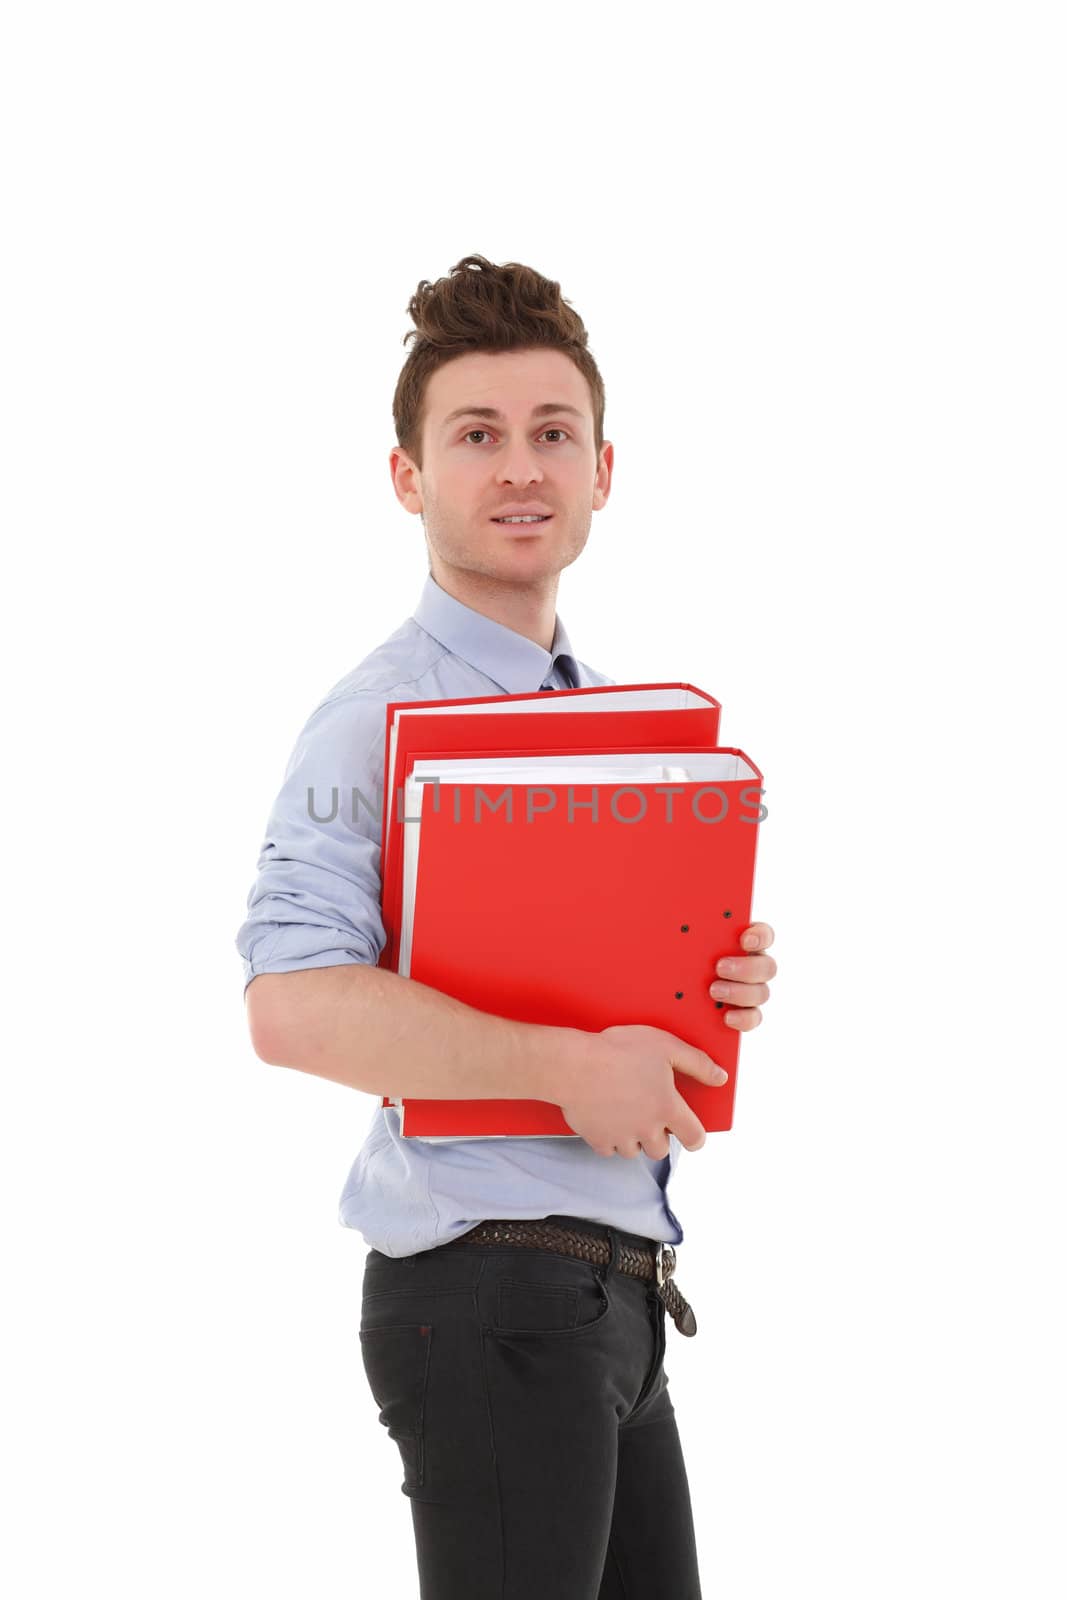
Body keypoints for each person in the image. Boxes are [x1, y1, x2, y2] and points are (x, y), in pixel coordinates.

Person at [236, 253, 777, 1599]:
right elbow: (288, 1003)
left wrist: (705, 989)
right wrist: (564, 1066)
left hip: (619, 1297)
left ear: (605, 471)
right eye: (476, 436)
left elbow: (563, 981)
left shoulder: (609, 718)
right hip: (485, 1299)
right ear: (408, 477)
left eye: (553, 434)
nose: (521, 466)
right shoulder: (373, 717)